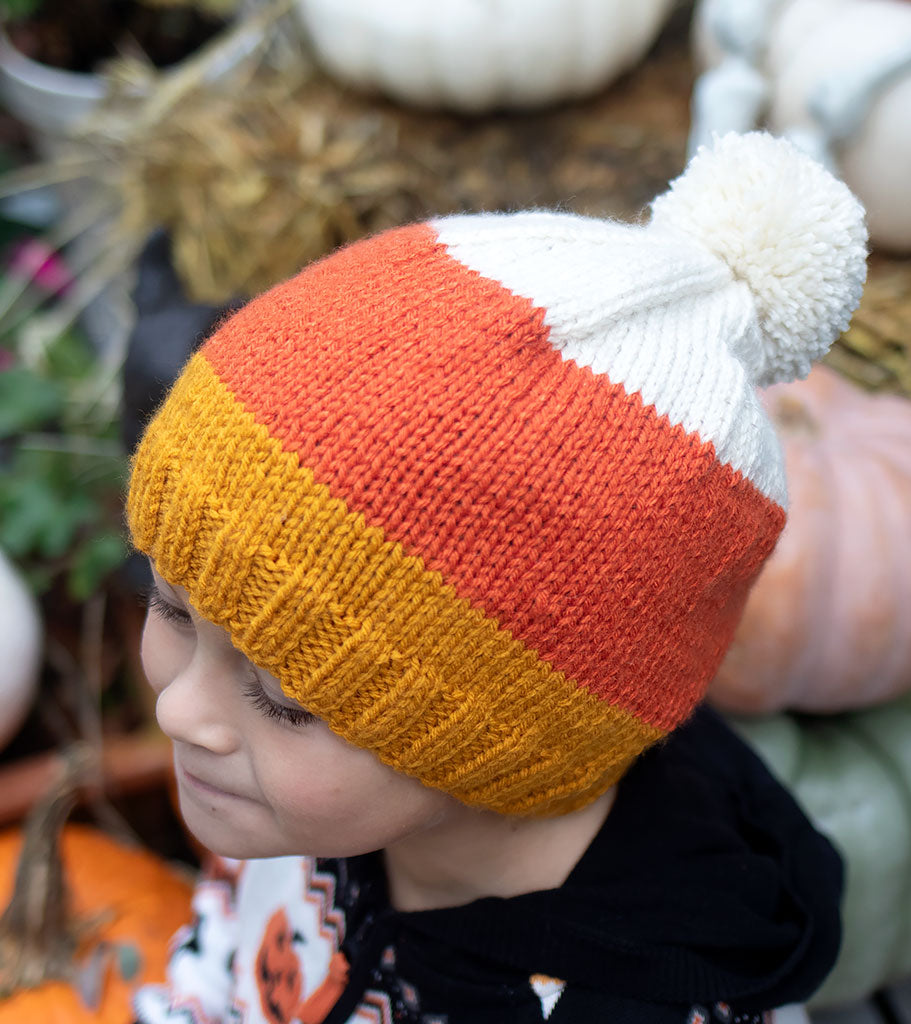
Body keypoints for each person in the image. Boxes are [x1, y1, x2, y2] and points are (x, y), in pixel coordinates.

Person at [129, 132, 866, 1024]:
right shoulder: (295, 803)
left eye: (284, 698)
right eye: (173, 607)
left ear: (504, 748)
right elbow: (231, 933)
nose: (179, 712)